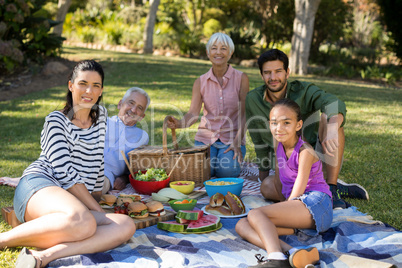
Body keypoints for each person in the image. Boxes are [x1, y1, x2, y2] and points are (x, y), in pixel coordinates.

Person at [1, 60, 136, 268]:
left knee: (125, 225)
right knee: (86, 221)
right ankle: (3, 241)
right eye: (83, 83)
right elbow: (67, 175)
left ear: (101, 91)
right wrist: (97, 210)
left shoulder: (101, 118)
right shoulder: (56, 121)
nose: (89, 91)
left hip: (74, 203)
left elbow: (96, 161)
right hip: (39, 186)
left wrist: (99, 197)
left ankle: (43, 257)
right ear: (71, 85)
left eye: (96, 85)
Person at [245, 49, 369, 209]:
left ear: (287, 73)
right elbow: (258, 141)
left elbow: (333, 103)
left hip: (312, 157)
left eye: (278, 71)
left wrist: (332, 128)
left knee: (329, 118)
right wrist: (263, 177)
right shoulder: (253, 100)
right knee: (266, 187)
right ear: (262, 76)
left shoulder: (304, 90)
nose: (273, 77)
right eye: (267, 73)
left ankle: (331, 186)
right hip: (286, 166)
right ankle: (320, 191)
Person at [236, 99, 333, 268]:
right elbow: (280, 181)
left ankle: (276, 259)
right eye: (274, 123)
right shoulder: (279, 144)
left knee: (255, 215)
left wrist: (281, 211)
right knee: (242, 225)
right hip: (300, 211)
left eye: (286, 123)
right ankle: (294, 253)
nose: (279, 128)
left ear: (298, 125)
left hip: (317, 204)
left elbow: (298, 189)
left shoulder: (306, 151)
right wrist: (280, 210)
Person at [166, 32, 249, 178]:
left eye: (223, 48)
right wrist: (179, 123)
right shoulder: (200, 82)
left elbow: (244, 114)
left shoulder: (241, 78)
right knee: (202, 172)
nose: (218, 52)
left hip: (232, 139)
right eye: (214, 48)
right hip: (205, 139)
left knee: (226, 172)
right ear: (208, 52)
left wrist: (237, 141)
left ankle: (230, 160)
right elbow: (192, 114)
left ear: (230, 52)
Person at [103, 87, 150, 193]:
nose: (133, 110)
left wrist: (124, 178)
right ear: (120, 104)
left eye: (139, 108)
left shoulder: (141, 136)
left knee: (94, 186)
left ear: (142, 116)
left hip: (104, 176)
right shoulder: (102, 122)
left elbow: (137, 167)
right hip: (83, 166)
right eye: (131, 103)